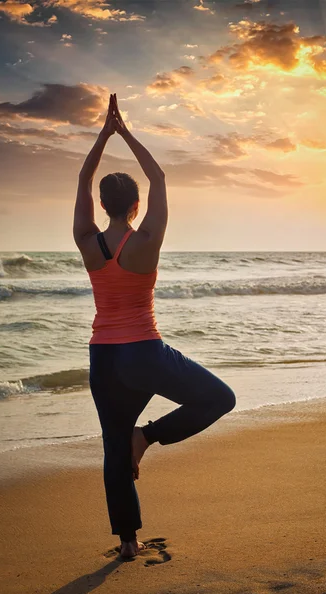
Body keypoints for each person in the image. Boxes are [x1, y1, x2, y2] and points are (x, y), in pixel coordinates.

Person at [73, 93, 236, 559]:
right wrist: (125, 132)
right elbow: (159, 175)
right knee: (219, 398)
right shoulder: (146, 239)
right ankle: (146, 437)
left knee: (112, 445)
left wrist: (103, 136)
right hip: (145, 352)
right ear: (137, 203)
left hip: (103, 357)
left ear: (101, 204)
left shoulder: (86, 240)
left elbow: (84, 177)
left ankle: (127, 542)